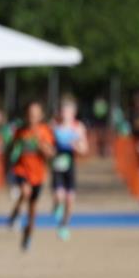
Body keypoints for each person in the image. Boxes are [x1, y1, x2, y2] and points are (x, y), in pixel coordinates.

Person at [6, 101, 55, 251]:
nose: (31, 117)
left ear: (40, 116)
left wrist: (41, 145)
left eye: (34, 114)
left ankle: (27, 235)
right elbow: (11, 149)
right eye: (29, 114)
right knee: (25, 192)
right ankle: (15, 212)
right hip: (22, 170)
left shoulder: (45, 131)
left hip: (38, 175)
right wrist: (12, 155)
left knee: (32, 211)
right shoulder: (20, 131)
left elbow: (51, 153)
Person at [51, 97, 89, 241]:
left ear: (74, 112)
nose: (65, 114)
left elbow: (85, 149)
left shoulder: (78, 127)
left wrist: (76, 145)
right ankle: (56, 208)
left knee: (70, 200)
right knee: (59, 196)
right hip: (57, 165)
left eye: (68, 111)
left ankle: (64, 225)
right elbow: (47, 143)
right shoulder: (55, 126)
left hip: (70, 165)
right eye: (63, 111)